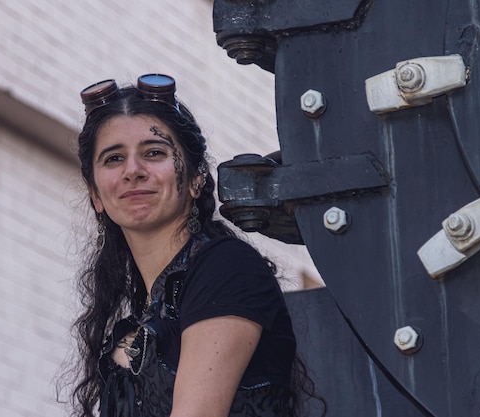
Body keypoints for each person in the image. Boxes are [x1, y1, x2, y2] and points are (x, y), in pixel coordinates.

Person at [65, 74, 319, 417]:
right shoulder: (146, 310)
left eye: (154, 153)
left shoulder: (227, 269)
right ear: (96, 194)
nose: (133, 171)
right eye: (113, 159)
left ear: (197, 177)